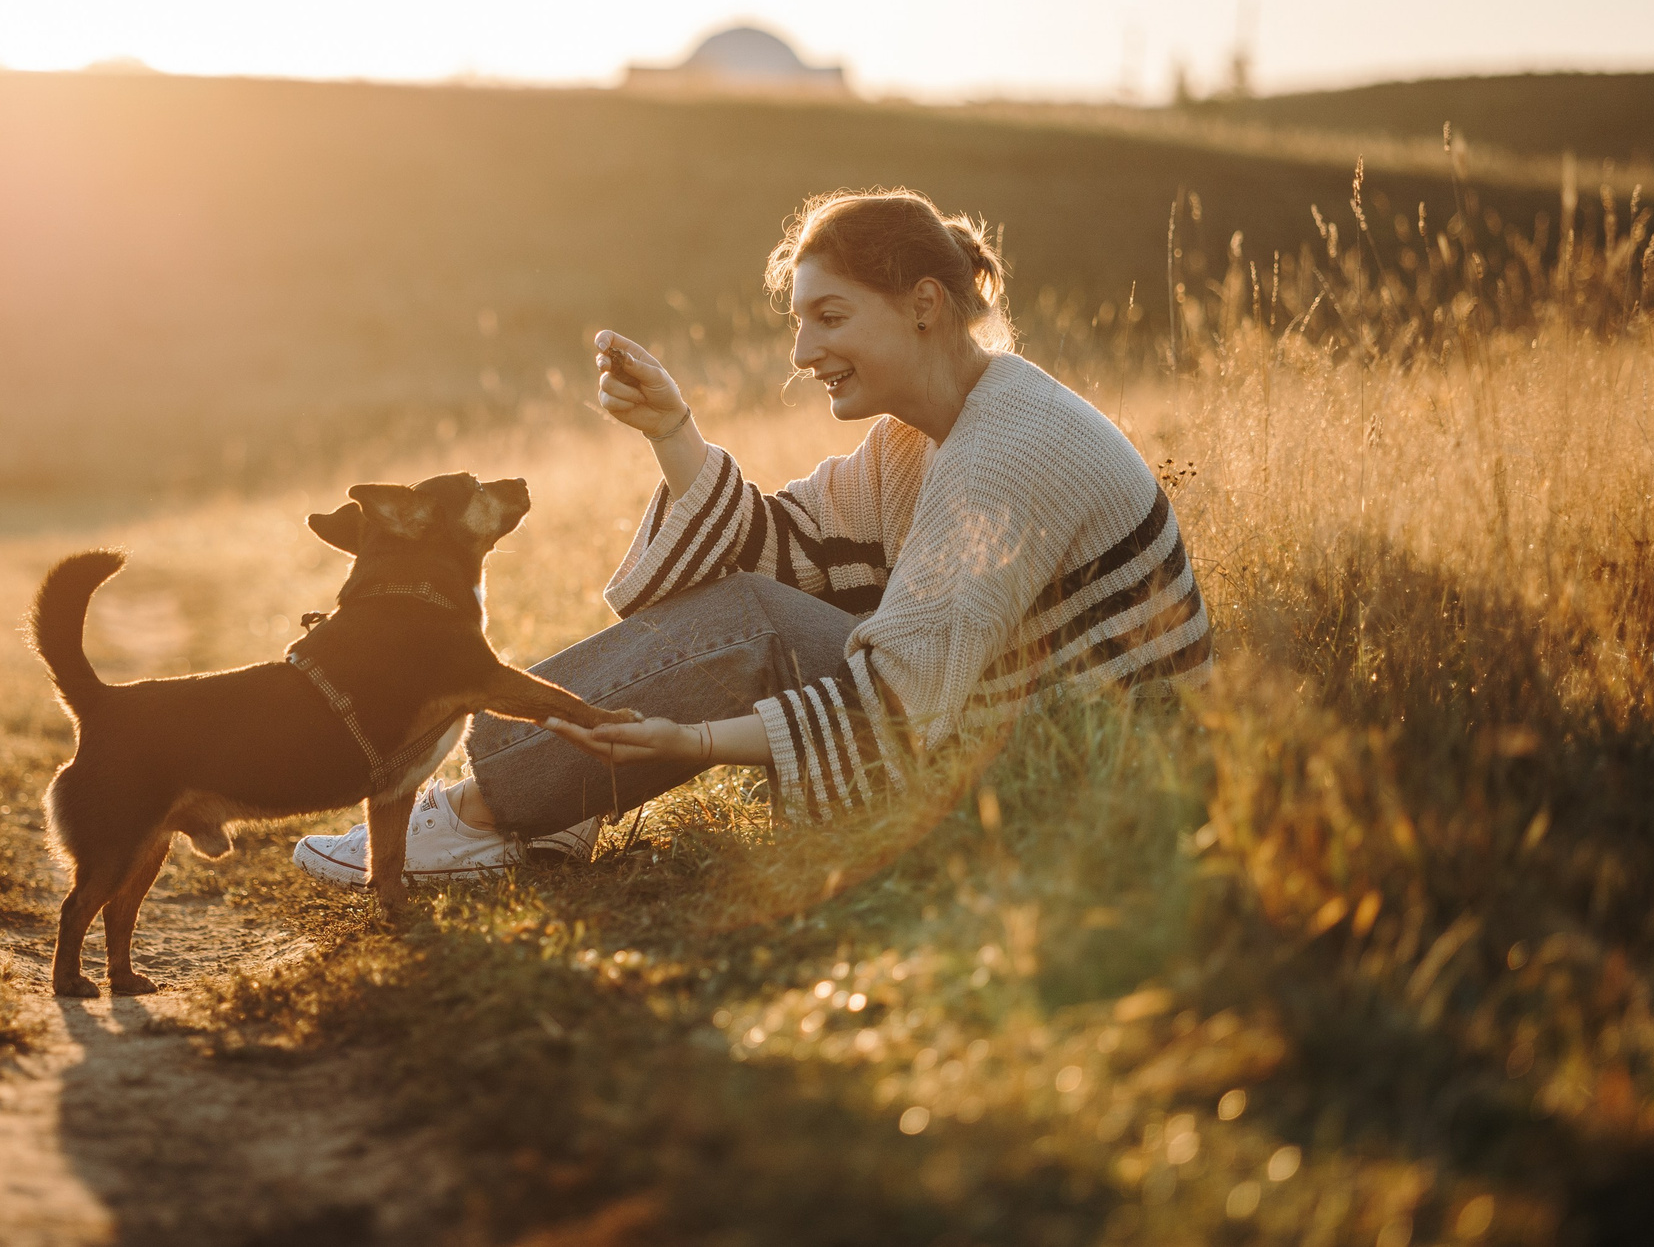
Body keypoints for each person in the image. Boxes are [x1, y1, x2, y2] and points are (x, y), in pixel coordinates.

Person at [293, 187, 1211, 886]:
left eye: (831, 316)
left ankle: (484, 809)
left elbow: (895, 697)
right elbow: (778, 545)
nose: (803, 353)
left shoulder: (1012, 446)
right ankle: (536, 805)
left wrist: (690, 746)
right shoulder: (916, 442)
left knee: (757, 620)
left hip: (1081, 788)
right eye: (800, 321)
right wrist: (673, 431)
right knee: (757, 601)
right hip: (1010, 741)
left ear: (925, 303)